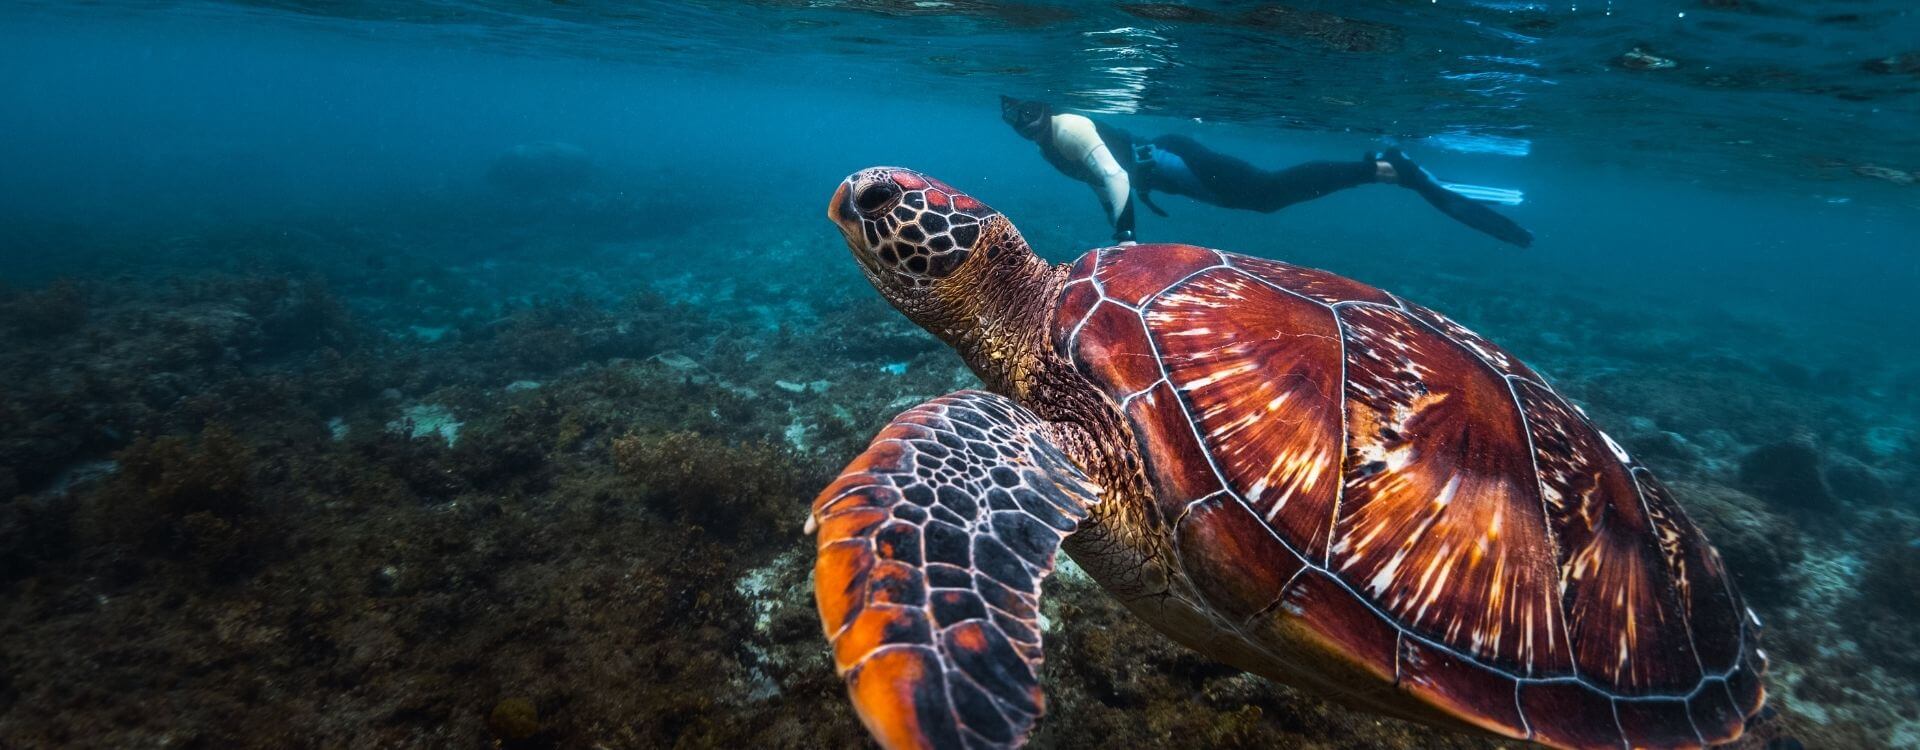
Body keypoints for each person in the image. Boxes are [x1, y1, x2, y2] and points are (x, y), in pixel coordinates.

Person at [999, 95, 1533, 247]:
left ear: (1043, 106)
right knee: (1264, 195)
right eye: (1012, 117)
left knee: (1267, 192)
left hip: (1176, 160)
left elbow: (1113, 177)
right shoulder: (1049, 143)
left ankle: (1380, 168)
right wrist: (1125, 223)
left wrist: (1125, 235)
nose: (1022, 122)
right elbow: (1103, 180)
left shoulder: (1066, 128)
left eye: (1027, 110)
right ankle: (1381, 171)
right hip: (1168, 169)